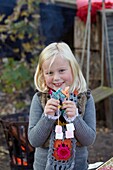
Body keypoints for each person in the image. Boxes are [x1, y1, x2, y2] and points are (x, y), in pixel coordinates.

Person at [28, 42, 96, 170]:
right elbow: (34, 141)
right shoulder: (39, 99)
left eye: (62, 71)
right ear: (42, 74)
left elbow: (89, 140)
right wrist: (47, 117)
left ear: (73, 69)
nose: (56, 78)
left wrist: (76, 118)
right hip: (43, 167)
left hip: (78, 167)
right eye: (49, 73)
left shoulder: (85, 99)